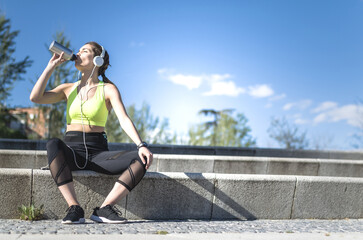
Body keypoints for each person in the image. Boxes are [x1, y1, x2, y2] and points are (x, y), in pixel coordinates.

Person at [30, 41, 153, 224]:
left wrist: (141, 145)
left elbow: (124, 119)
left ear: (97, 59)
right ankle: (74, 208)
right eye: (78, 50)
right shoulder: (68, 88)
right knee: (53, 144)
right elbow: (36, 97)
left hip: (98, 153)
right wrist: (50, 67)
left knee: (141, 158)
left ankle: (105, 208)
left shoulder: (108, 89)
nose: (78, 53)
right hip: (72, 150)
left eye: (84, 50)